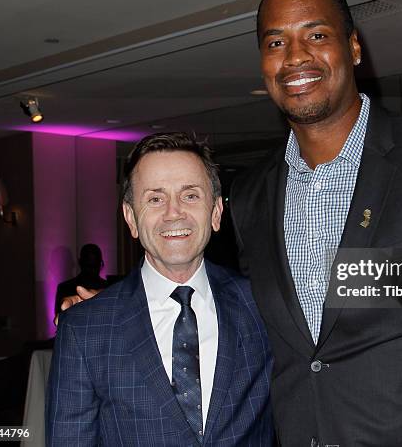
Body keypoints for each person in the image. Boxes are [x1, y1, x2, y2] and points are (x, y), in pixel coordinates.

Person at [60, 0, 402, 446]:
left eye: (317, 35)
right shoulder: (255, 195)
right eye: (275, 43)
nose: (295, 56)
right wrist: (116, 312)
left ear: (353, 48)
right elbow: (238, 310)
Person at [46, 133, 273, 446]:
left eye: (190, 195)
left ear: (216, 212)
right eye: (155, 198)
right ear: (131, 218)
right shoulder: (85, 329)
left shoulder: (263, 305)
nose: (173, 212)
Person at [53, 243, 107, 316]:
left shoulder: (109, 287)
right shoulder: (65, 288)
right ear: (80, 263)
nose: (92, 270)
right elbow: (59, 319)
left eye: (95, 266)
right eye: (89, 266)